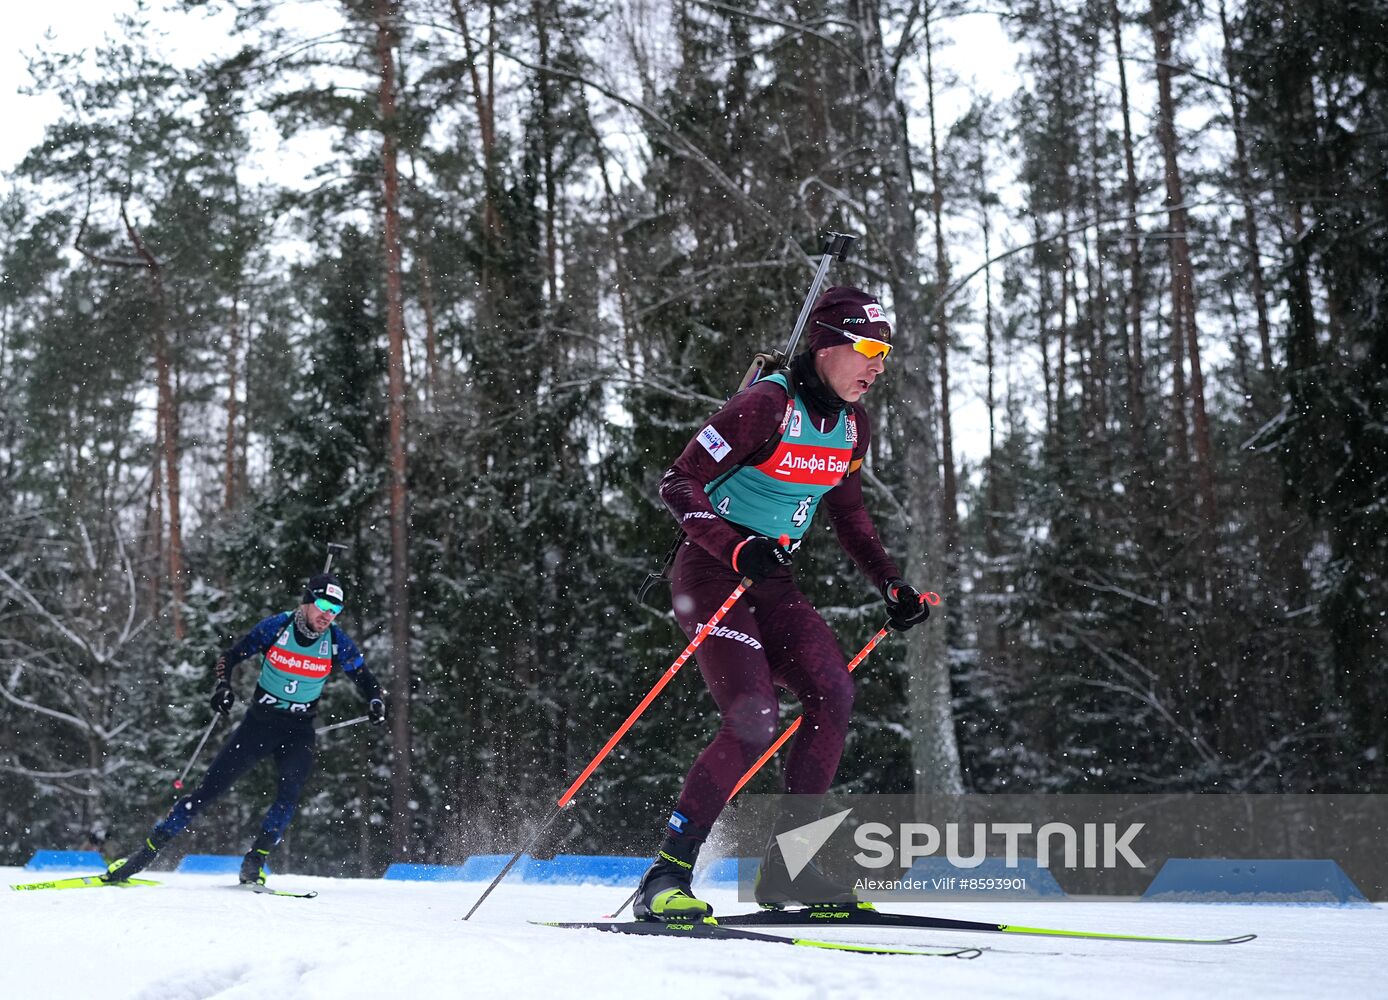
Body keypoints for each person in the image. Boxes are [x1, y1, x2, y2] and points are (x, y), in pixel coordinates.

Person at [634, 286, 930, 921]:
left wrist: (890, 583)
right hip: (711, 573)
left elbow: (848, 513)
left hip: (769, 581)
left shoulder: (853, 425)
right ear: (826, 346)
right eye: (869, 349)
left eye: (886, 353)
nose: (878, 366)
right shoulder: (766, 405)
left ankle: (789, 870)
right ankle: (666, 877)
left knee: (834, 691)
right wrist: (735, 547)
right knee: (754, 717)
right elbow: (677, 480)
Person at [102, 573, 387, 886]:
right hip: (260, 724)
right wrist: (223, 687)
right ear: (306, 602)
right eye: (322, 604)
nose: (327, 614)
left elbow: (363, 676)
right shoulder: (276, 628)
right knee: (208, 791)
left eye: (336, 608)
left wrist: (374, 700)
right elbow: (231, 656)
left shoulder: (336, 642)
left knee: (289, 795)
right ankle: (146, 853)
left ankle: (255, 861)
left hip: (299, 729)